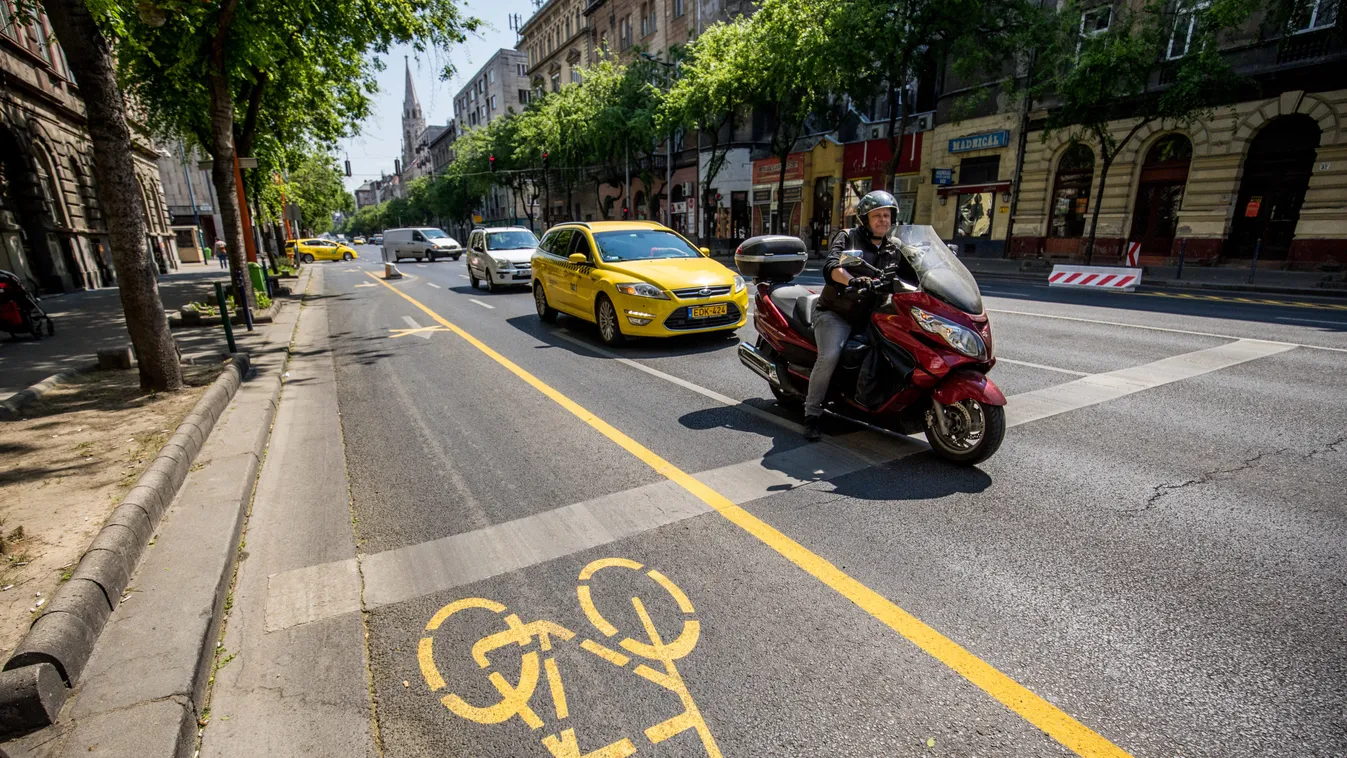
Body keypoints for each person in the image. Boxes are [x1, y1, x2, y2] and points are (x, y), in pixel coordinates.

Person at [802, 190, 901, 442]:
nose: (883, 220)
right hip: (836, 313)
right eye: (877, 215)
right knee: (830, 356)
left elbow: (917, 271)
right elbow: (831, 266)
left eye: (887, 215)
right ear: (864, 219)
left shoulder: (895, 247)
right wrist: (852, 279)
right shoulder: (848, 238)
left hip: (874, 315)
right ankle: (812, 414)